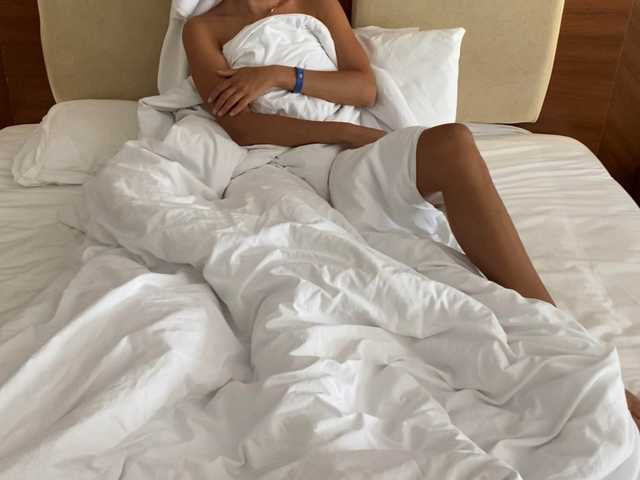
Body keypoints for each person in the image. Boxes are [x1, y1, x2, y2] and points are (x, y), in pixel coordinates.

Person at [183, 0, 556, 306]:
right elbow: (242, 127)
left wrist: (279, 75)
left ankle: (544, 310)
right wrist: (344, 133)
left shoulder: (316, 4)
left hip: (358, 151)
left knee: (454, 142)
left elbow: (364, 88)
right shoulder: (203, 29)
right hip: (296, 162)